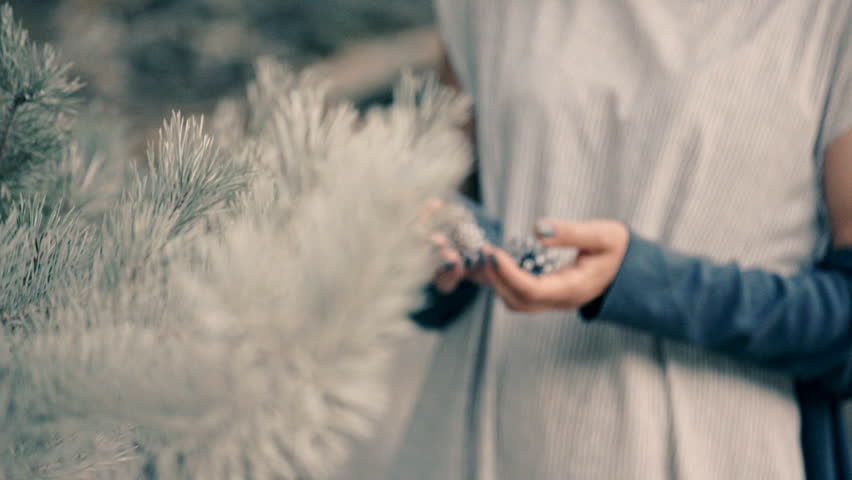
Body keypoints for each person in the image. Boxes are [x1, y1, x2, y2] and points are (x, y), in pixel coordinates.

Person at [393, 2, 852, 479]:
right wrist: (440, 254)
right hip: (469, 448)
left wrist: (643, 282)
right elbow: (444, 220)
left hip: (715, 456)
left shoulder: (829, 17)